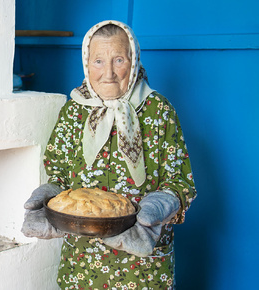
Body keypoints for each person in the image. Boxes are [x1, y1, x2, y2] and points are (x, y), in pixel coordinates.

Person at [21, 20, 196, 289]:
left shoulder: (158, 111)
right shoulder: (73, 113)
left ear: (134, 60)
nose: (109, 73)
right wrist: (51, 194)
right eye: (99, 61)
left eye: (119, 60)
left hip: (143, 261)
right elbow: (59, 174)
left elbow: (180, 181)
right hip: (84, 260)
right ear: (86, 64)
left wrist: (160, 204)